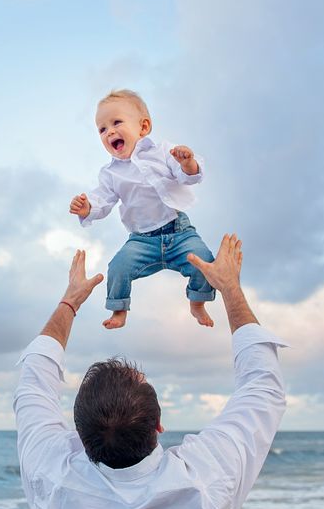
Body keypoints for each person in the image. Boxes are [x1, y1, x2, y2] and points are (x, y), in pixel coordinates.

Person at [13, 235, 288, 509]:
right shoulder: (205, 483)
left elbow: (33, 380)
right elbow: (263, 388)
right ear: (159, 426)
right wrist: (230, 289)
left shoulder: (50, 478)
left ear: (78, 435)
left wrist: (69, 302)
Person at [69, 89, 216, 330]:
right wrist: (87, 208)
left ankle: (198, 301)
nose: (110, 132)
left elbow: (187, 177)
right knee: (117, 267)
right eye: (102, 129)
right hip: (141, 241)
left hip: (179, 232)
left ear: (144, 127)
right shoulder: (110, 173)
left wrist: (187, 163)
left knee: (206, 261)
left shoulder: (163, 152)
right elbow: (102, 200)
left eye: (116, 122)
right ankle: (119, 309)